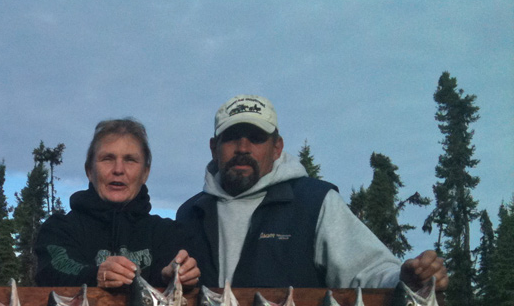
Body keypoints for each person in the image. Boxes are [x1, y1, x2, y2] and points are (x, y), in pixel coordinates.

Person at [175, 94, 448, 290]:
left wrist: (407, 279)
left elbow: (368, 270)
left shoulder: (314, 202)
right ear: (214, 147)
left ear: (277, 147)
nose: (243, 148)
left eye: (256, 138)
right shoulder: (190, 214)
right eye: (232, 138)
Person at [34, 118, 201, 290]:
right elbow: (52, 270)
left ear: (145, 173)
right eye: (107, 158)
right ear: (90, 171)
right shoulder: (59, 230)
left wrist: (175, 276)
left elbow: (182, 270)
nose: (118, 170)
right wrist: (95, 276)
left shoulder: (169, 234)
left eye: (130, 160)